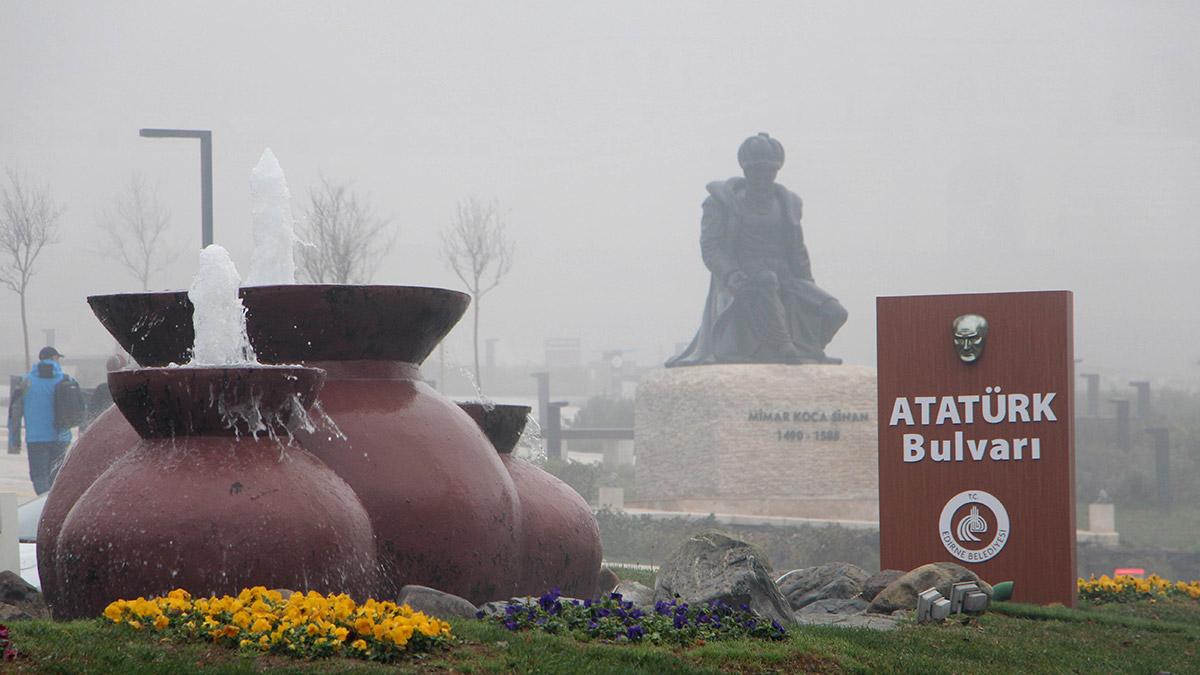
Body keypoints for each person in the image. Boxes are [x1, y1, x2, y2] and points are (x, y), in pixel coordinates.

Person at [667, 133, 847, 367]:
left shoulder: (787, 205)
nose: (763, 178)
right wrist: (730, 273)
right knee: (766, 281)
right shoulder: (720, 203)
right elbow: (711, 247)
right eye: (757, 172)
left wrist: (808, 285)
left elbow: (797, 250)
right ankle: (785, 348)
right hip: (745, 277)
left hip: (786, 278)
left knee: (836, 312)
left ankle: (810, 350)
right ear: (746, 171)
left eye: (769, 172)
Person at [12, 347, 74, 495]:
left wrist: (15, 441)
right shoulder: (67, 380)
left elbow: (14, 413)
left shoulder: (25, 382)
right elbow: (79, 407)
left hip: (36, 439)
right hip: (62, 438)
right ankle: (54, 510)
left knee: (39, 477)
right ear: (53, 358)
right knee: (57, 479)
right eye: (58, 358)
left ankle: (44, 510)